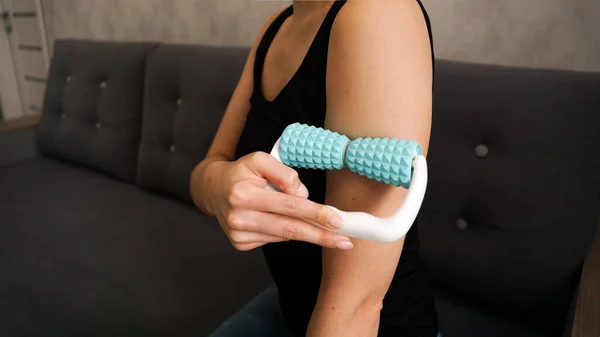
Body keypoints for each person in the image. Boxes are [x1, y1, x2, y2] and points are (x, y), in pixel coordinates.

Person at [190, 0, 439, 336]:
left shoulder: (379, 12)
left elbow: (356, 306)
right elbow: (206, 170)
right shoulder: (278, 25)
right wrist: (219, 184)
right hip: (289, 306)